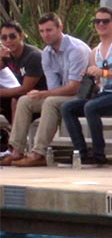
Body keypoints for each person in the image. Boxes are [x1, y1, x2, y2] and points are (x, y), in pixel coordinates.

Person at [0, 13, 89, 168]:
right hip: (61, 95)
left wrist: (44, 94)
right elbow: (54, 87)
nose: (45, 35)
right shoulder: (47, 53)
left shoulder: (76, 49)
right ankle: (16, 151)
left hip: (82, 95)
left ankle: (38, 153)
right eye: (42, 31)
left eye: (49, 30)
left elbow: (74, 87)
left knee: (49, 101)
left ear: (60, 28)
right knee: (24, 101)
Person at [59, 8, 112, 167]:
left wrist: (103, 72)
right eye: (98, 21)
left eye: (105, 21)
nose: (101, 24)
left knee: (91, 107)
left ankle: (99, 154)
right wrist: (90, 80)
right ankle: (81, 153)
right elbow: (98, 87)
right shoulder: (95, 52)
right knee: (68, 107)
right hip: (106, 95)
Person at [0, 20, 46, 150]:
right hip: (23, 96)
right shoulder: (8, 55)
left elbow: (25, 88)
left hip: (40, 96)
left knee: (17, 100)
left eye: (12, 36)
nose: (8, 40)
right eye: (4, 37)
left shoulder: (33, 56)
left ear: (21, 36)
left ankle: (14, 148)